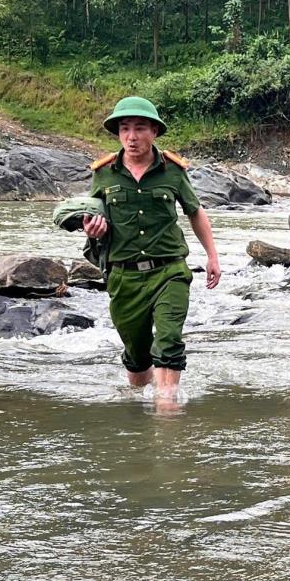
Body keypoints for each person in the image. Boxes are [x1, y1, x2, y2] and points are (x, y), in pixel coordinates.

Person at [82, 96, 222, 402]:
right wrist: (92, 229)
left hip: (169, 270)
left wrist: (212, 256)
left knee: (169, 341)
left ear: (154, 131)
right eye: (125, 129)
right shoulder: (103, 173)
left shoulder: (173, 170)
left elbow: (195, 211)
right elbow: (90, 216)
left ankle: (167, 410)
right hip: (124, 277)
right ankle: (137, 413)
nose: (132, 137)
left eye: (140, 128)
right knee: (137, 357)